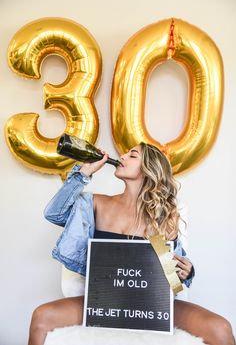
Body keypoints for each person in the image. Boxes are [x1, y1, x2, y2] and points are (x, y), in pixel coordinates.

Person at [28, 143, 235, 345]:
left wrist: (185, 272)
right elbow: (54, 213)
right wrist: (84, 173)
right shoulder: (96, 204)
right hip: (101, 303)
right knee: (42, 316)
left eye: (132, 155)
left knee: (220, 328)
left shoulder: (162, 218)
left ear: (148, 169)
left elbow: (171, 278)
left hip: (152, 307)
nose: (123, 156)